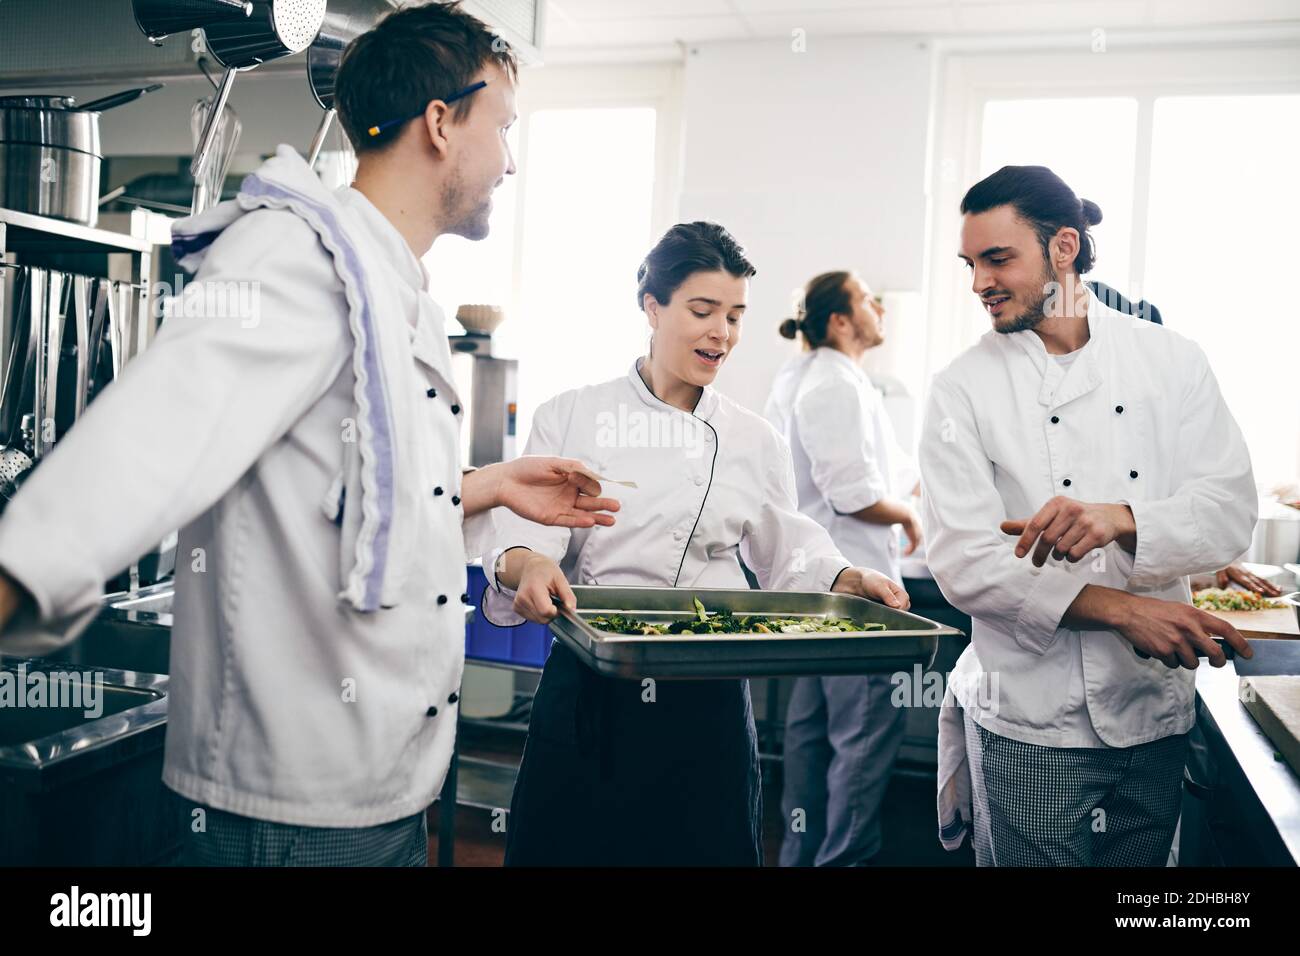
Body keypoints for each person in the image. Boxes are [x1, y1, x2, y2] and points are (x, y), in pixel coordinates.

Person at [0, 2, 618, 867]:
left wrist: (489, 481)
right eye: (504, 127)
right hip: (290, 820)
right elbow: (145, 447)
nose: (510, 161)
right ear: (441, 123)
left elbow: (360, 489)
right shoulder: (297, 256)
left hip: (383, 793)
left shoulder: (399, 292)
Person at [481, 222, 910, 866]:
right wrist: (532, 562)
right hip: (591, 683)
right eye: (703, 311)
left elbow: (786, 547)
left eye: (735, 316)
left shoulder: (751, 437)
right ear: (651, 308)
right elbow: (519, 539)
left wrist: (848, 579)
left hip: (707, 692)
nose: (722, 333)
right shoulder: (573, 414)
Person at [921, 164, 1256, 866]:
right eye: (970, 262)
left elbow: (1229, 512)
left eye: (998, 258)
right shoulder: (962, 388)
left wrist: (1122, 518)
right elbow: (963, 562)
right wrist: (1125, 611)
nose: (979, 280)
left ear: (1064, 248)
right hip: (1031, 719)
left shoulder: (1172, 361)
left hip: (1152, 712)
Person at [764, 271, 920, 866]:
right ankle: (843, 861)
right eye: (866, 300)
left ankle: (803, 857)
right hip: (853, 589)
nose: (879, 307)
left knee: (811, 728)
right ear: (839, 321)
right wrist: (907, 515)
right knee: (860, 736)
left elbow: (882, 469)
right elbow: (853, 494)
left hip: (820, 587)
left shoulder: (819, 378)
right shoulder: (833, 384)